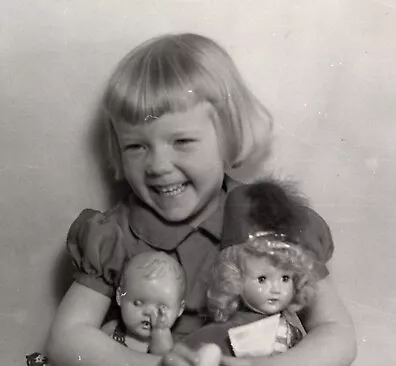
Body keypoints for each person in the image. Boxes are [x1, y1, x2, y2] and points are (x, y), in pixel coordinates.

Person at [46, 33, 356, 366]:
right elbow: (67, 338)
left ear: (228, 137)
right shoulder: (116, 234)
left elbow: (336, 333)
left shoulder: (269, 217)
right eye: (136, 146)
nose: (158, 166)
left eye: (181, 141)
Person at [183, 180, 319, 357]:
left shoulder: (290, 328)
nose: (276, 289)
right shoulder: (223, 333)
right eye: (262, 279)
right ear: (235, 279)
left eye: (285, 278)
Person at [101, 252, 186, 354]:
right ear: (120, 297)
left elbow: (163, 358)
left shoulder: (169, 346)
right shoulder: (111, 330)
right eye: (137, 303)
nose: (148, 312)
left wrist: (160, 332)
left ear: (180, 309)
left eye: (161, 308)